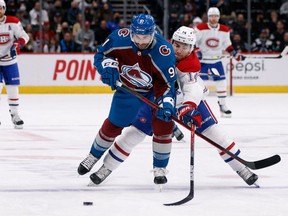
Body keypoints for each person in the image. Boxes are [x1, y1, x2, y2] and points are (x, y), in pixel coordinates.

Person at [80, 26, 258, 187]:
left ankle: (243, 169)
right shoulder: (161, 52)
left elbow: (193, 88)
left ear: (192, 48)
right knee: (131, 136)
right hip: (157, 101)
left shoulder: (190, 65)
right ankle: (106, 168)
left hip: (184, 104)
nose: (179, 49)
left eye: (185, 46)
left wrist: (188, 106)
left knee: (217, 136)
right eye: (177, 44)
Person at [77, 14, 177, 185]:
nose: (140, 41)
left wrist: (165, 102)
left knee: (163, 125)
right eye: (137, 36)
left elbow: (167, 85)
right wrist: (106, 68)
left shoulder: (164, 51)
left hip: (154, 93)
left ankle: (160, 168)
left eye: (145, 37)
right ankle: (93, 156)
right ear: (131, 32)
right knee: (114, 123)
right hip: (128, 89)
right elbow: (100, 55)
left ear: (153, 33)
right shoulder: (119, 38)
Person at [194, 7, 245, 118]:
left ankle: (222, 105)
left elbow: (227, 44)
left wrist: (233, 53)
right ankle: (199, 107)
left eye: (216, 16)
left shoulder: (225, 30)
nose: (214, 18)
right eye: (211, 16)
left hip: (216, 61)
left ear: (219, 17)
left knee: (221, 83)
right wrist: (197, 51)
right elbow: (193, 42)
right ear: (208, 17)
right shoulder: (200, 28)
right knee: (201, 86)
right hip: (203, 62)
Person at [0, 0, 29, 129]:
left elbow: (25, 36)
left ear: (4, 9)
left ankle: (15, 115)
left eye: (0, 8)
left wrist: (18, 44)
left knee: (13, 89)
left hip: (10, 62)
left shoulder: (13, 21)